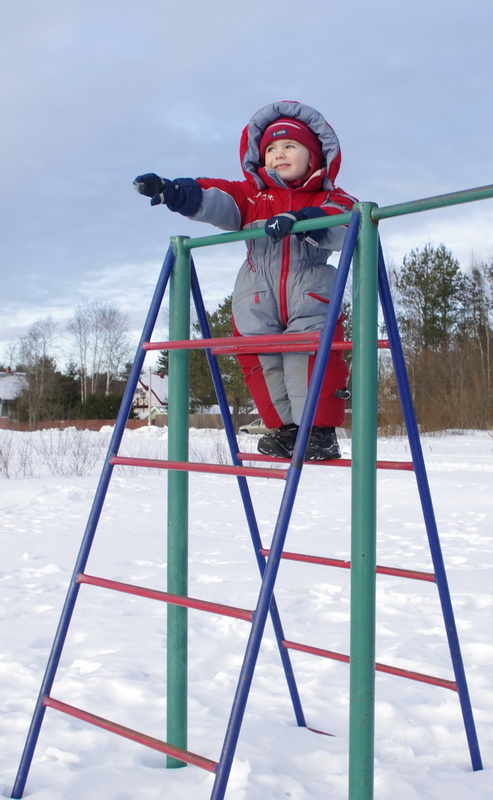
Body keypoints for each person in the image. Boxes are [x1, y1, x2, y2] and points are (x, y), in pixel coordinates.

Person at [134, 100, 356, 460]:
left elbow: (346, 221)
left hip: (310, 294)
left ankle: (318, 432)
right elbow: (216, 197)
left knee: (310, 356)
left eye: (289, 146)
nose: (278, 154)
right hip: (256, 296)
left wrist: (302, 219)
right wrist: (176, 193)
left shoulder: (328, 196)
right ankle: (285, 430)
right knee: (259, 360)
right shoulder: (252, 197)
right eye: (270, 148)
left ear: (314, 156)